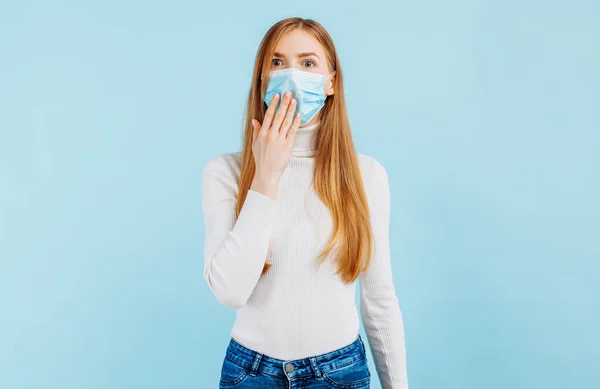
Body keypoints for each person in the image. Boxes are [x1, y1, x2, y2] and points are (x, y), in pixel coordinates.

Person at [201, 17, 409, 389]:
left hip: (340, 371)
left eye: (308, 63)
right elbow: (229, 292)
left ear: (330, 82)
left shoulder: (366, 176)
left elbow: (379, 300)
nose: (291, 75)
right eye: (277, 62)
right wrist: (266, 177)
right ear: (262, 77)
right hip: (250, 374)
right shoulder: (225, 172)